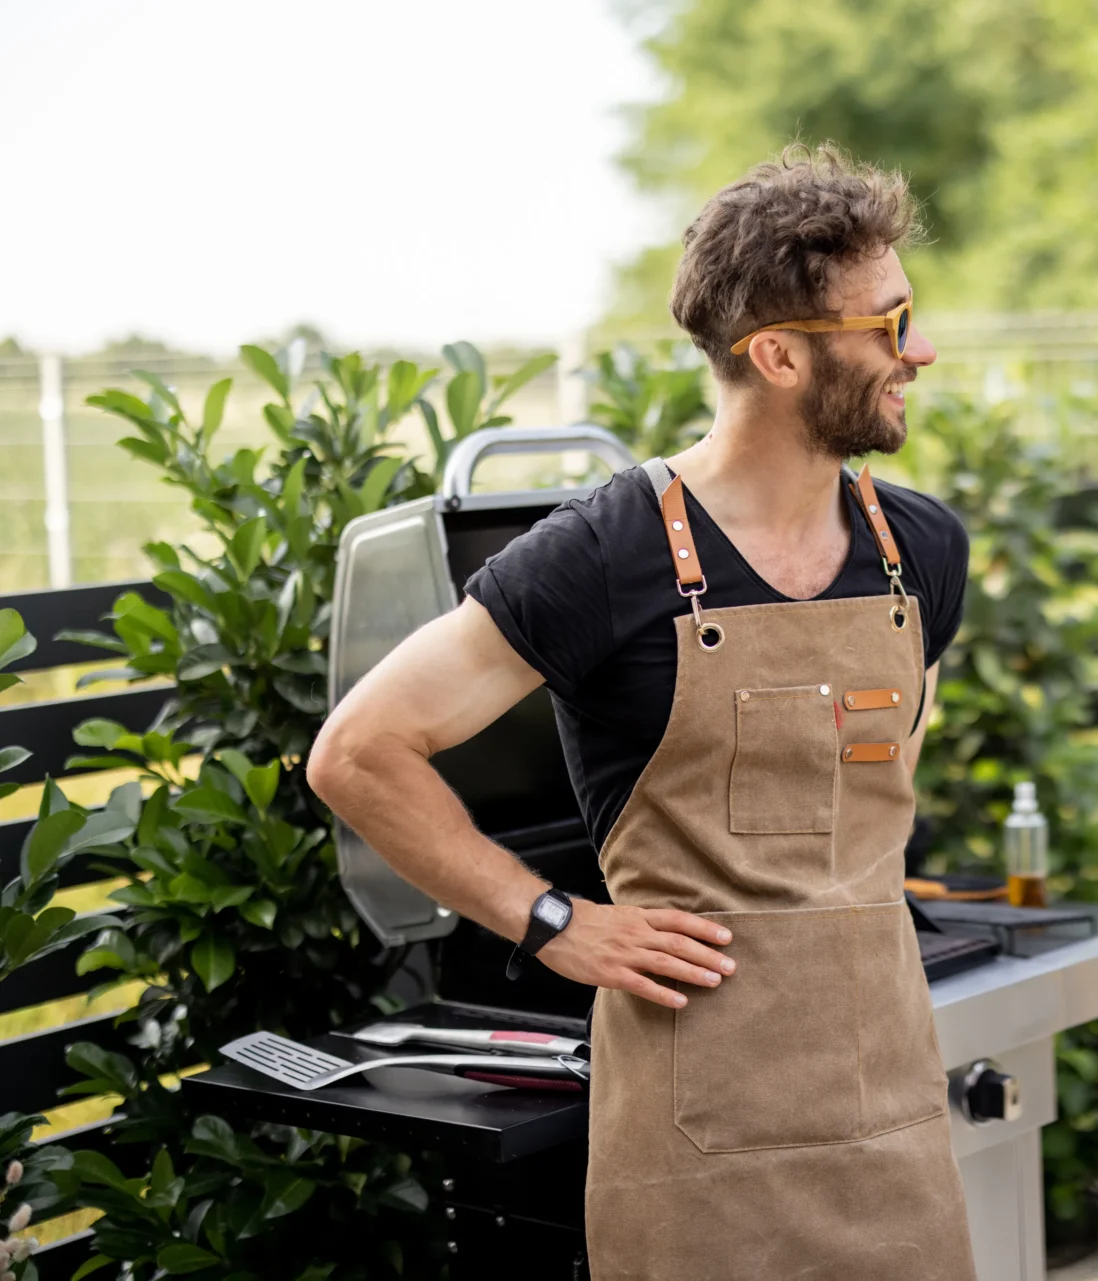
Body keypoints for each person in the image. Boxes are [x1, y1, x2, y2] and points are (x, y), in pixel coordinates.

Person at [309, 144, 976, 1281]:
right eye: (891, 323)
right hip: (695, 1135)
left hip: (891, 1118)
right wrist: (550, 920)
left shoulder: (920, 551)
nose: (918, 351)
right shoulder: (604, 553)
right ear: (778, 355)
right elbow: (358, 752)